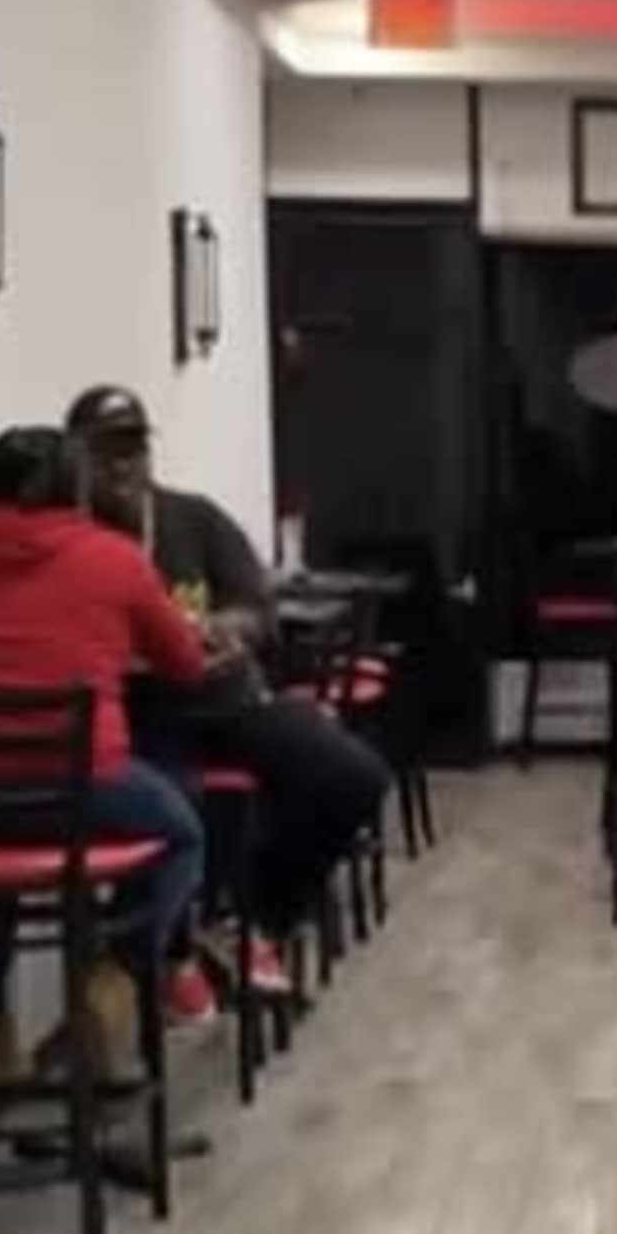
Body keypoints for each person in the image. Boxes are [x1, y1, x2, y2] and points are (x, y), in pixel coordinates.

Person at [66, 385, 389, 998]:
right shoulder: (69, 543)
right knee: (173, 812)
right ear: (74, 460)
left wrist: (222, 627)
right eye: (104, 452)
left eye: (133, 449)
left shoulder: (194, 519)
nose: (121, 466)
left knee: (353, 777)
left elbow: (257, 608)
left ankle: (253, 920)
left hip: (226, 701)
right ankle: (154, 963)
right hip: (139, 717)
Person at [0, 425, 208, 1080]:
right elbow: (183, 663)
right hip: (83, 789)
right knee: (181, 833)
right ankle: (109, 987)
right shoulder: (114, 556)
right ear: (75, 490)